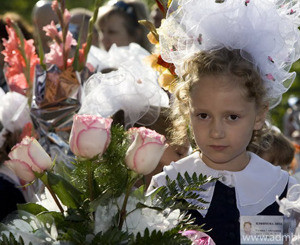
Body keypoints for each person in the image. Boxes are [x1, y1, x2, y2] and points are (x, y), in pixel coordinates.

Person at [147, 0, 300, 244]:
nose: (216, 132)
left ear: (259, 115)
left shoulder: (283, 192)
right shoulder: (166, 185)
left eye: (232, 117)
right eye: (203, 115)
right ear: (188, 111)